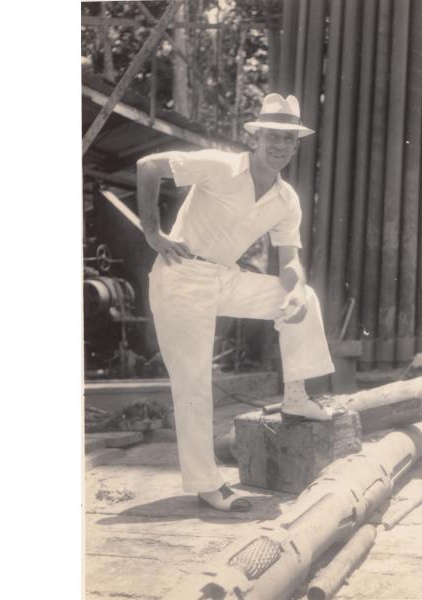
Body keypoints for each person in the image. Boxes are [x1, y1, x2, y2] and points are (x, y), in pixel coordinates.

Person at [136, 93, 339, 512]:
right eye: (273, 138)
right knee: (192, 381)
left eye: (289, 140)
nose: (280, 147)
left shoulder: (287, 200)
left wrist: (296, 288)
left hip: (224, 278)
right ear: (255, 139)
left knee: (304, 298)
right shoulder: (220, 165)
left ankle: (297, 395)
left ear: (296, 146)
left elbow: (290, 262)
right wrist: (153, 234)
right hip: (180, 276)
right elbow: (148, 166)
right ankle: (206, 483)